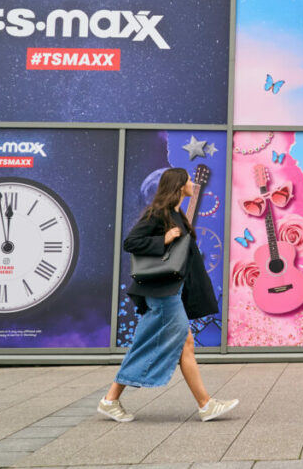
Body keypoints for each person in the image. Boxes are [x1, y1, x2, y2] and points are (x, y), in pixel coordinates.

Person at [98, 167, 238, 423]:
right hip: (162, 295)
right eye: (188, 180)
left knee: (184, 345)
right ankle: (111, 400)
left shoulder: (177, 213)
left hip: (171, 292)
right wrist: (162, 239)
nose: (193, 183)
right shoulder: (158, 213)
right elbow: (131, 242)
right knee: (152, 345)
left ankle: (205, 405)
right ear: (178, 185)